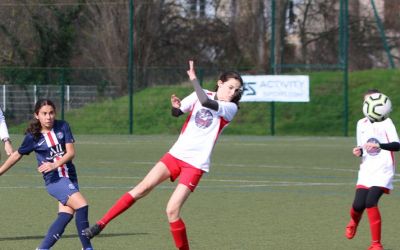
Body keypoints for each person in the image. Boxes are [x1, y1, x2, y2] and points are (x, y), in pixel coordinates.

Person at [84, 60, 243, 250]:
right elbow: (177, 113)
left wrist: (193, 79)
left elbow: (206, 102)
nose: (232, 93)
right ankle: (100, 225)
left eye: (236, 90)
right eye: (230, 87)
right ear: (220, 83)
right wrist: (175, 106)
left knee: (172, 210)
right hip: (176, 155)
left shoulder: (230, 108)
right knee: (141, 188)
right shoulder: (199, 94)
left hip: (195, 165)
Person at [0, 99, 94, 250]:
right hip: (55, 180)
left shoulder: (63, 126)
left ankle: (42, 248)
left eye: (51, 113)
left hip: (70, 176)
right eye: (44, 114)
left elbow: (71, 153)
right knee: (82, 206)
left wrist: (54, 163)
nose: (48, 117)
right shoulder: (33, 137)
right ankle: (87, 248)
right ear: (37, 115)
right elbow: (17, 155)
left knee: (66, 215)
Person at [345, 89, 400, 250]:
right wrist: (359, 151)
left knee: (370, 202)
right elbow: (362, 147)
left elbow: (397, 145)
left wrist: (380, 145)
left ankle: (376, 244)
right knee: (357, 205)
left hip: (384, 170)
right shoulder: (360, 124)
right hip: (367, 170)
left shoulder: (386, 123)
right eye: (366, 102)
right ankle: (354, 221)